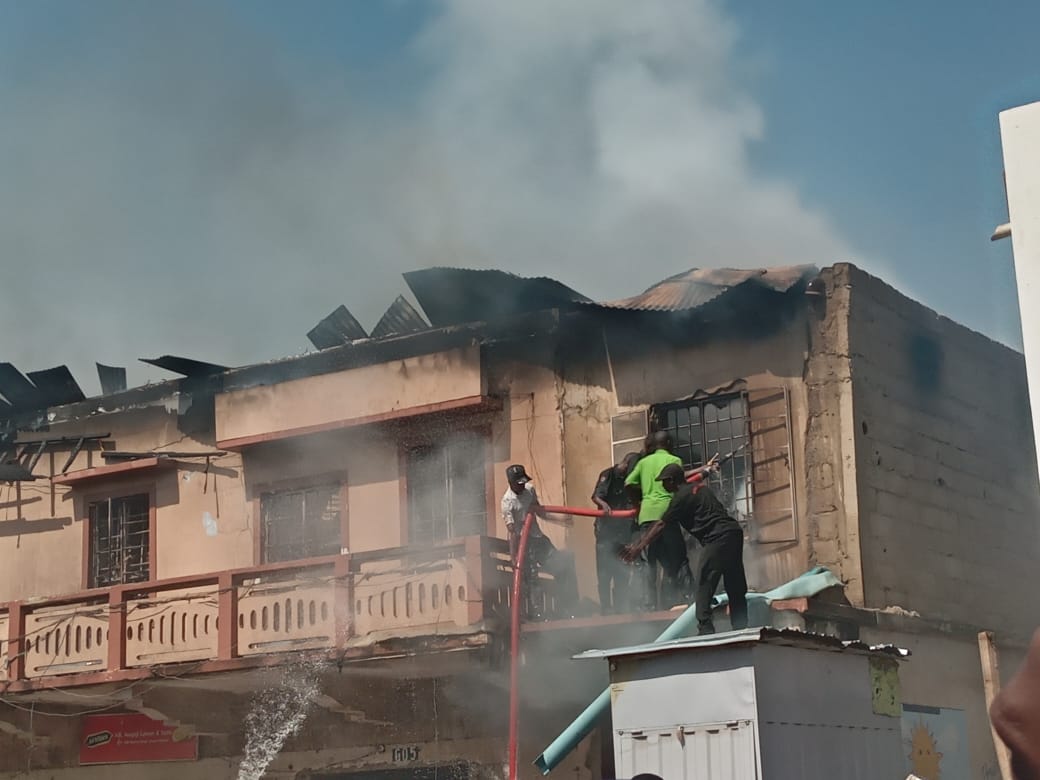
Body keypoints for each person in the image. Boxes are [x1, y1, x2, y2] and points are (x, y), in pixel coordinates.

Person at [624, 462, 748, 634]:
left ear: (672, 481)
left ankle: (705, 629)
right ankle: (741, 628)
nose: (663, 485)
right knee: (735, 584)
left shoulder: (680, 497)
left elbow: (660, 525)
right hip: (733, 533)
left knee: (704, 584)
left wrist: (639, 547)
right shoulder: (700, 488)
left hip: (717, 538)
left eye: (664, 482)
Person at [623, 431, 690, 610]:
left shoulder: (643, 462)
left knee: (648, 563)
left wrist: (638, 502)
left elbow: (628, 482)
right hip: (668, 515)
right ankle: (679, 601)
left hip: (646, 516)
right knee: (675, 561)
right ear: (668, 443)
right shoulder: (675, 461)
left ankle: (648, 606)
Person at [501, 464, 577, 618]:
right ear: (511, 483)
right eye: (519, 483)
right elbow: (512, 532)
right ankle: (538, 616)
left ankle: (567, 608)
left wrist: (560, 520)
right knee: (532, 580)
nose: (522, 485)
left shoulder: (530, 490)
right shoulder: (507, 503)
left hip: (538, 539)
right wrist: (514, 555)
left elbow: (540, 512)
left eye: (523, 482)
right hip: (524, 544)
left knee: (561, 566)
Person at [591, 452, 641, 614]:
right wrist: (604, 505)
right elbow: (596, 496)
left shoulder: (630, 480)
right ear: (625, 464)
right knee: (604, 573)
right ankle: (606, 608)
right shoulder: (608, 475)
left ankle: (620, 608)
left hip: (623, 533)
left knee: (622, 573)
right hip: (606, 533)